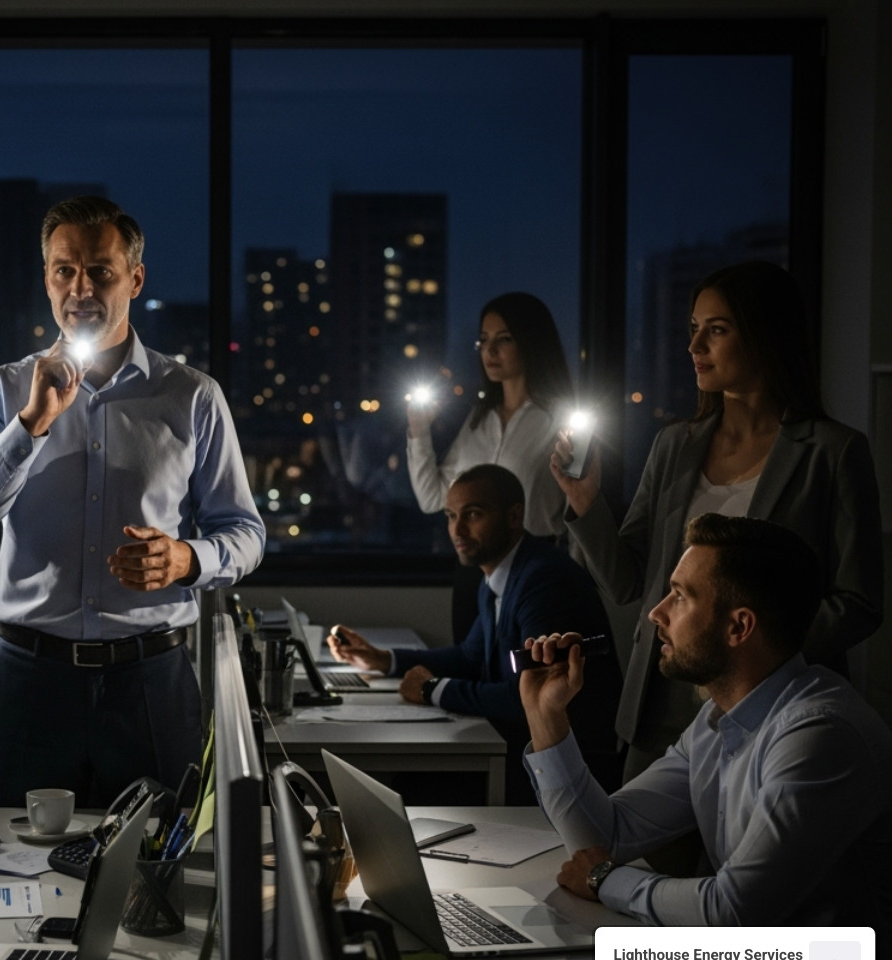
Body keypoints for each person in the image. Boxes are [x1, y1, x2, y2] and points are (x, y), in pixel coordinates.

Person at [0, 196, 265, 807]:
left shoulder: (191, 396)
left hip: (151, 681)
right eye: (64, 270)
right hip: (31, 679)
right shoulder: (2, 391)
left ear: (135, 279)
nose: (80, 288)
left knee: (162, 876)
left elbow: (244, 531)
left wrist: (188, 559)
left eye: (100, 272)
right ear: (46, 278)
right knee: (24, 872)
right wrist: (28, 426)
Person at [552, 261, 883, 784]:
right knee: (636, 852)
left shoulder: (832, 452)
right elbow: (627, 582)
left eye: (717, 329)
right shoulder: (674, 446)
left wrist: (754, 654)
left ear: (765, 335)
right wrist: (586, 504)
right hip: (662, 710)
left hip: (773, 711)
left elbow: (859, 601)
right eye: (693, 328)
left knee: (750, 863)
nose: (695, 345)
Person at [518, 515, 892, 942]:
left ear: (738, 627)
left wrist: (606, 879)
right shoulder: (717, 720)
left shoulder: (821, 735)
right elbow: (606, 836)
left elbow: (734, 911)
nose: (657, 613)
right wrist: (547, 716)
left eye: (679, 597)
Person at [328, 464, 620, 802]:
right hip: (521, 745)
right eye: (451, 516)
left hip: (567, 766)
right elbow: (469, 656)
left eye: (473, 514)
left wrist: (432, 689)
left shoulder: (543, 580)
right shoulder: (497, 575)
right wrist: (384, 659)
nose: (458, 529)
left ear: (514, 517)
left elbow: (526, 695)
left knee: (411, 784)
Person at [407, 292, 574, 642]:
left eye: (504, 339)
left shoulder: (562, 419)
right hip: (475, 567)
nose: (490, 351)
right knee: (470, 671)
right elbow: (431, 498)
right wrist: (419, 430)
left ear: (530, 341)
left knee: (523, 680)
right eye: (483, 340)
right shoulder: (479, 420)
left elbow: (580, 506)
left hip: (533, 567)